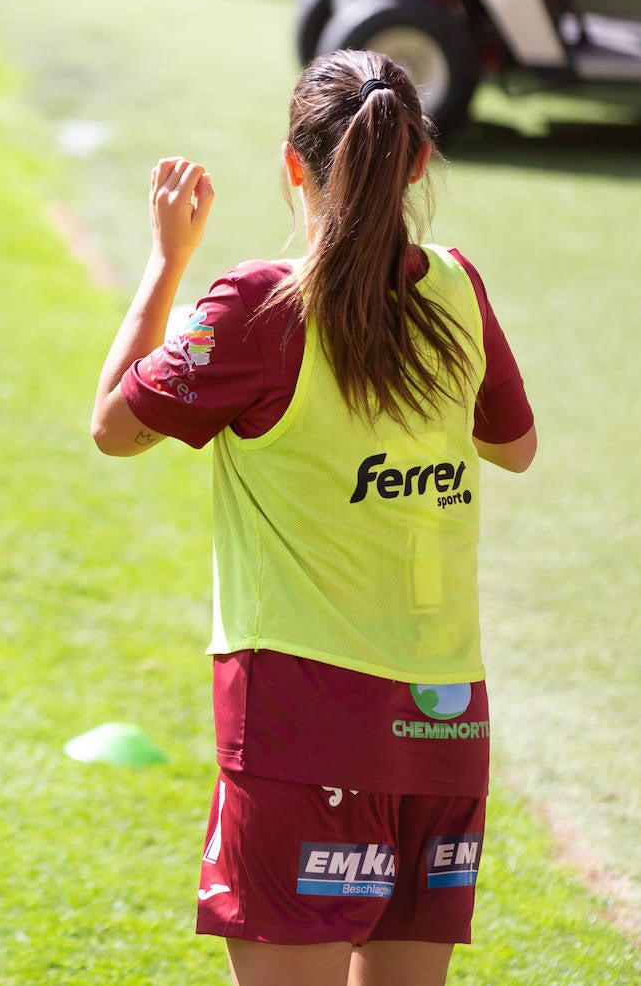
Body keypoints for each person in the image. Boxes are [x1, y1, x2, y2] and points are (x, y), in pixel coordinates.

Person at [91, 50, 536, 985]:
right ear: (418, 163)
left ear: (293, 165)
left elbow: (115, 429)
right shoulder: (456, 285)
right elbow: (515, 446)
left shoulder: (260, 305)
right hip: (445, 720)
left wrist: (168, 260)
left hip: (302, 720)